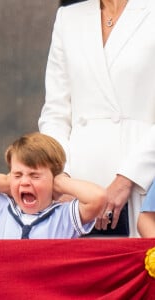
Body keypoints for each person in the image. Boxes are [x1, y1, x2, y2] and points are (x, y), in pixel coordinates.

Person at [38, 0, 155, 237]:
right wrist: (63, 179)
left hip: (142, 180)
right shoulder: (68, 18)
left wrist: (127, 179)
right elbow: (55, 113)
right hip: (77, 191)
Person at [0, 132, 106, 239]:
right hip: (5, 289)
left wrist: (60, 183)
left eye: (35, 176)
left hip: (45, 289)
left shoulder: (64, 217)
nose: (25, 182)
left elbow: (98, 197)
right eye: (18, 174)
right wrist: (5, 183)